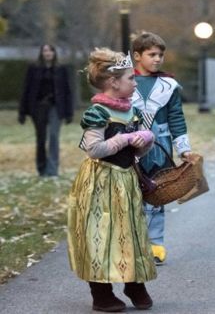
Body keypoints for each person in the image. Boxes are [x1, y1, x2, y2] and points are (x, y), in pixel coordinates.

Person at [67, 48, 156, 312]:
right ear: (113, 82)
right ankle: (101, 292)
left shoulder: (133, 111)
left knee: (130, 232)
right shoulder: (98, 112)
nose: (135, 82)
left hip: (126, 180)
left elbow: (137, 149)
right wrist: (124, 139)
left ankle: (133, 282)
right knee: (101, 232)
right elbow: (94, 150)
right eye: (131, 78)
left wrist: (143, 141)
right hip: (101, 181)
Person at [131, 31, 193, 266]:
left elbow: (177, 118)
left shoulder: (169, 85)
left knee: (157, 195)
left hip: (160, 147)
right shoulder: (125, 81)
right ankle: (134, 243)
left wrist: (183, 149)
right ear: (138, 56)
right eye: (152, 54)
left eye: (161, 55)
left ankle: (155, 242)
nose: (157, 59)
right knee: (132, 195)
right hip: (131, 149)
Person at [18, 44, 74, 176]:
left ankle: (52, 170)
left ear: (54, 53)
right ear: (41, 53)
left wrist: (69, 113)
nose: (48, 53)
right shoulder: (34, 69)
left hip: (56, 107)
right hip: (38, 107)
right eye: (45, 51)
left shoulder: (61, 69)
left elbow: (67, 91)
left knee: (54, 136)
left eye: (50, 51)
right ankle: (41, 169)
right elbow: (26, 90)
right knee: (41, 138)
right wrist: (22, 112)